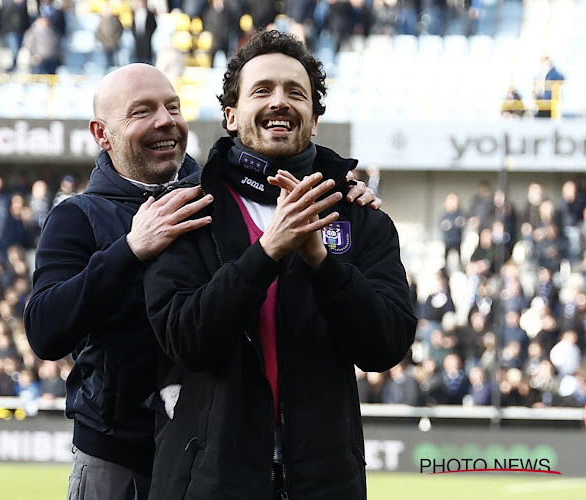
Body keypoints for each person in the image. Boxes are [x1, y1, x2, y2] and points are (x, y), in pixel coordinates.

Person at [24, 63, 379, 500]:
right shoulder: (77, 216)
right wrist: (130, 249)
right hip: (120, 457)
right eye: (142, 112)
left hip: (211, 455)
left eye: (172, 107)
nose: (165, 121)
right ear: (102, 133)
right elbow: (44, 330)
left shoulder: (215, 195)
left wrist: (344, 194)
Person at [143, 30, 416, 499]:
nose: (280, 102)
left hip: (325, 481)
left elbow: (386, 346)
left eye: (296, 92)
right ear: (231, 115)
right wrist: (268, 252)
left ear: (314, 120)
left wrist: (321, 262)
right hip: (209, 480)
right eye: (262, 90)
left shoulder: (361, 217)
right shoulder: (185, 211)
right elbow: (185, 338)